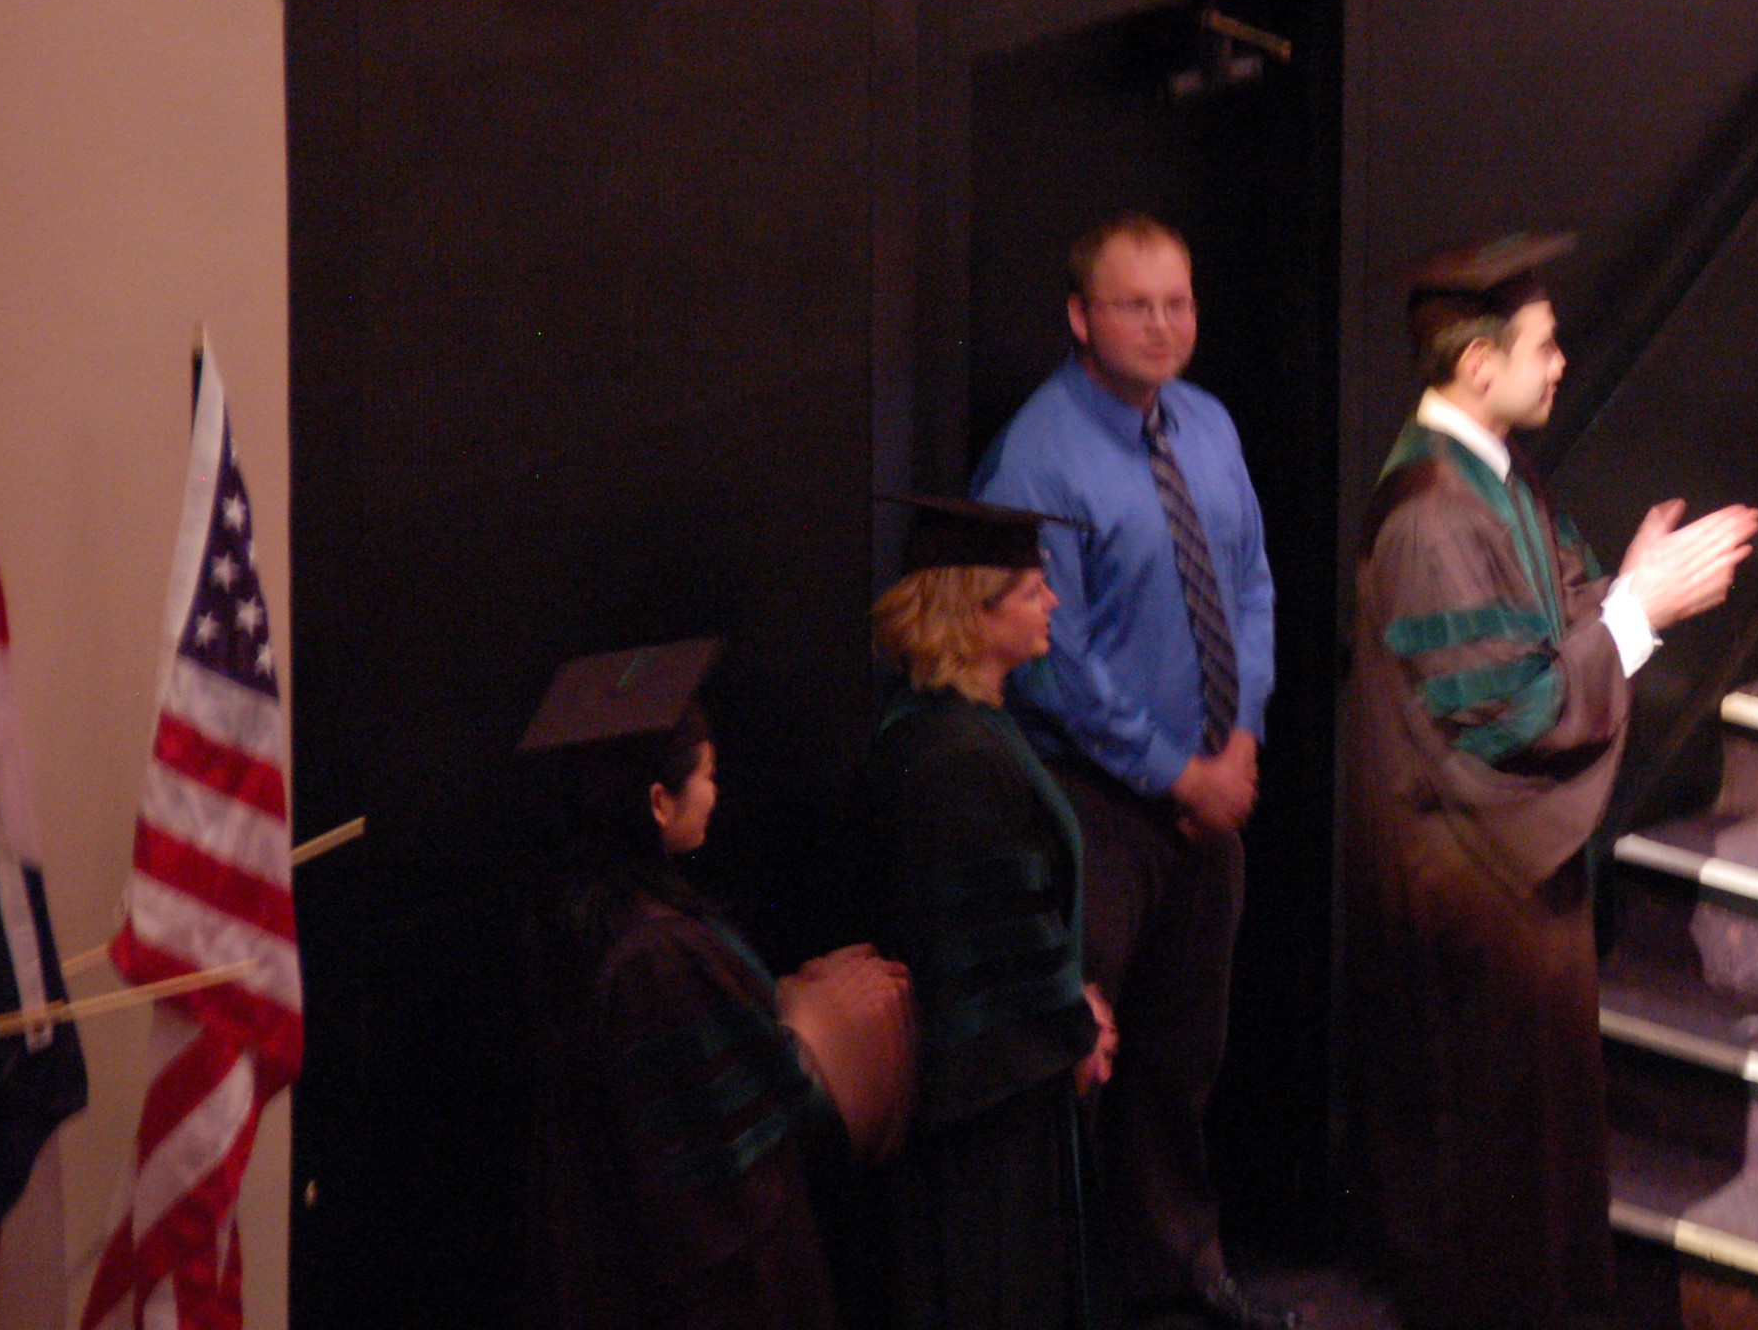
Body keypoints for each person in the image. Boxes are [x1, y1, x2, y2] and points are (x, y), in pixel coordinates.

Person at [1341, 234, 1758, 1330]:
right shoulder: (1432, 514)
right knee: (1483, 1181)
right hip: (1465, 891)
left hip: (1512, 881)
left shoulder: (1496, 478)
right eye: (1544, 345)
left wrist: (1634, 590)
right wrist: (1640, 610)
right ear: (1479, 364)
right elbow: (1511, 713)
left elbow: (1565, 618)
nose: (1563, 361)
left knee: (1533, 1167)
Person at [972, 217, 1289, 1330]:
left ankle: (1178, 1280)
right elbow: (1050, 660)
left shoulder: (1207, 423)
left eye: (1177, 302)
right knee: (1084, 1069)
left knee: (1179, 1058)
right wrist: (1177, 774)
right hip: (1094, 807)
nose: (1162, 326)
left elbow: (1251, 587)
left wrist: (1240, 738)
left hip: (1212, 798)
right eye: (1135, 305)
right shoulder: (1036, 456)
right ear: (1080, 317)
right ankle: (1075, 1301)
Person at [522, 637, 915, 1330]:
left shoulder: (590, 914)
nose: (716, 792)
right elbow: (725, 1160)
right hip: (715, 1288)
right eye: (707, 775)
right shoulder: (655, 956)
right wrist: (810, 1040)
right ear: (658, 802)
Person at [861, 497, 1117, 1330]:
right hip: (988, 1118)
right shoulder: (952, 759)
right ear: (976, 611)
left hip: (1007, 1090)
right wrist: (1070, 1025)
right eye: (1034, 590)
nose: (1054, 603)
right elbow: (981, 955)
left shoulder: (956, 726)